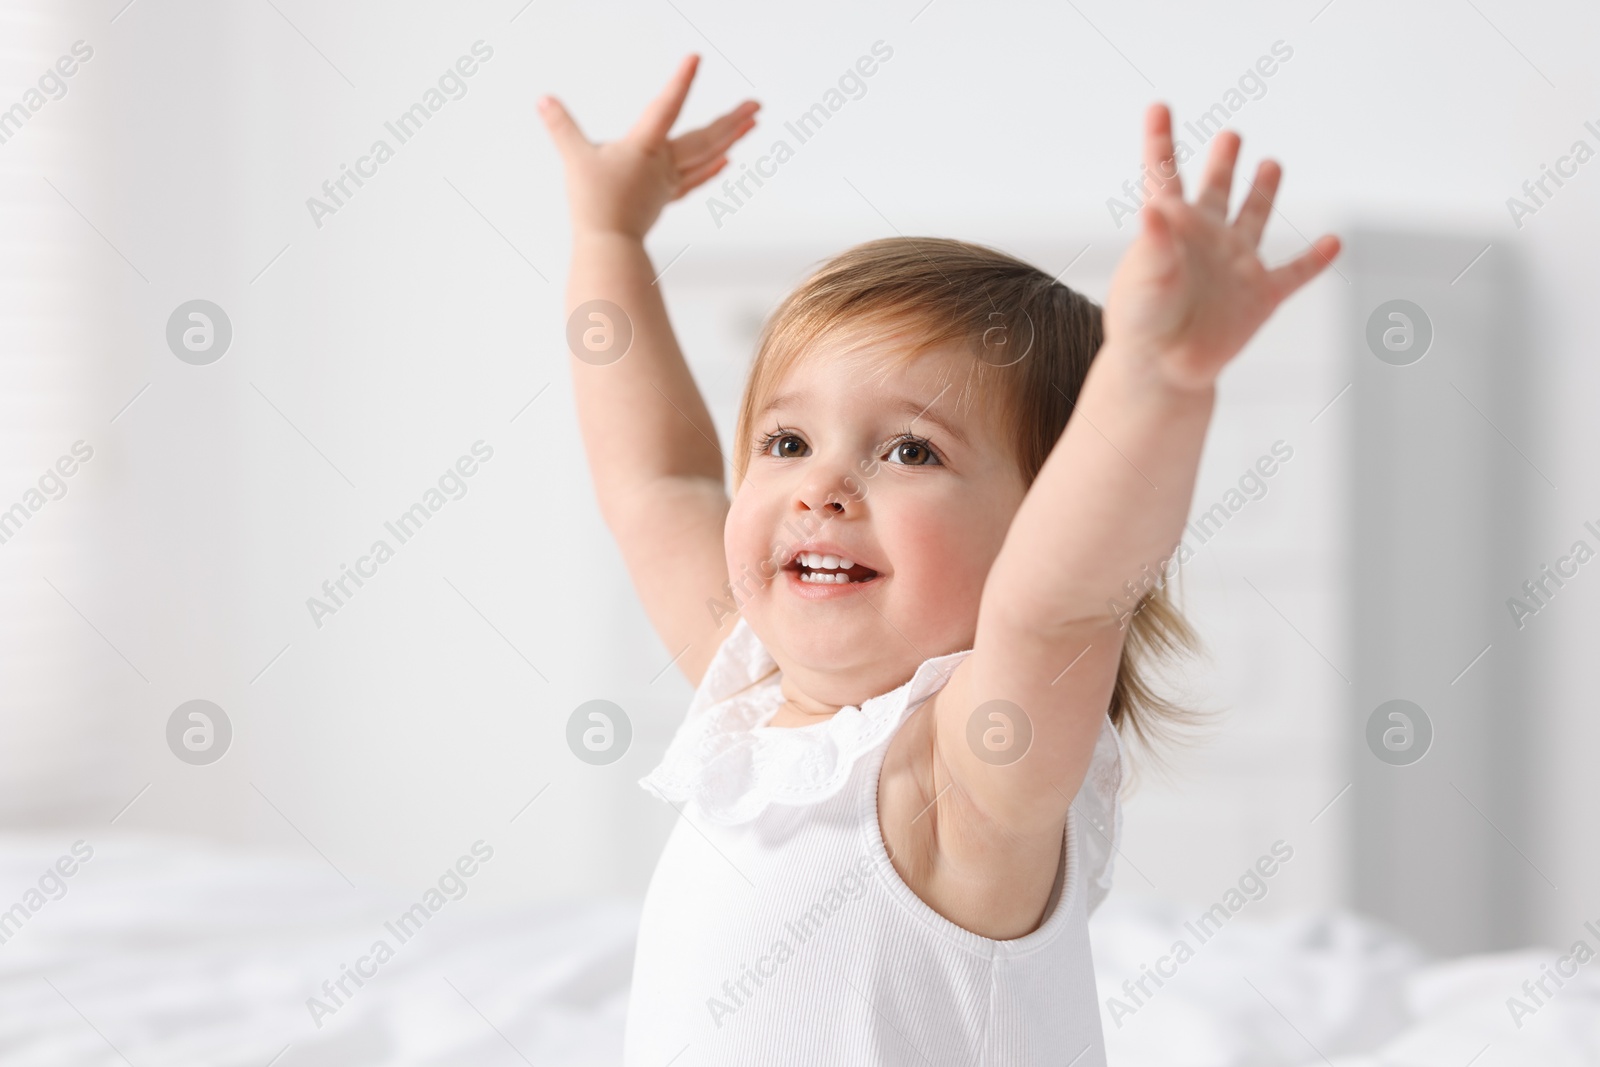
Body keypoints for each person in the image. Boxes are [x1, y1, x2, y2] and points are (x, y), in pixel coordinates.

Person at [538, 53, 1340, 1066]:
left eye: (910, 450)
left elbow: (1063, 602)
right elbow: (655, 480)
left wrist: (1158, 378)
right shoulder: (750, 688)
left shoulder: (964, 771)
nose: (820, 486)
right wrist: (607, 238)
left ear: (1032, 524)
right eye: (787, 442)